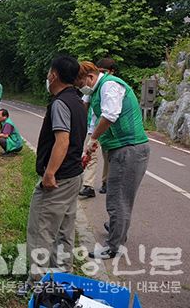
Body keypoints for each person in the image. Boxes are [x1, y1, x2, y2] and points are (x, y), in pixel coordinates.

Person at [21, 56, 86, 293]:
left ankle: (37, 284)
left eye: (49, 71)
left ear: (54, 75)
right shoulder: (78, 101)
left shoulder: (60, 103)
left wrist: (49, 173)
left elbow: (63, 140)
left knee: (41, 229)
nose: (47, 75)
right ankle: (63, 278)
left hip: (58, 179)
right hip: (73, 175)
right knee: (64, 230)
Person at [80, 59, 150, 260]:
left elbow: (110, 115)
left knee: (117, 199)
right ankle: (118, 232)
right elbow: (95, 120)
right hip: (122, 149)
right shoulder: (96, 92)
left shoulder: (110, 85)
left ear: (91, 77)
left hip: (129, 149)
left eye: (81, 84)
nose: (81, 89)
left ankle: (112, 246)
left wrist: (93, 139)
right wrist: (91, 144)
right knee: (121, 198)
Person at [76, 62, 101, 198]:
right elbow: (83, 106)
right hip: (93, 129)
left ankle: (105, 182)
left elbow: (109, 116)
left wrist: (92, 138)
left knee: (109, 158)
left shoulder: (107, 87)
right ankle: (88, 185)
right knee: (91, 156)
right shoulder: (90, 90)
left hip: (102, 129)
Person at [94, 58, 117, 194]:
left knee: (111, 157)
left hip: (111, 129)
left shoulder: (113, 85)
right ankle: (104, 182)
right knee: (105, 156)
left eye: (104, 71)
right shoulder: (97, 86)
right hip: (99, 127)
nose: (101, 74)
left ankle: (108, 182)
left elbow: (111, 114)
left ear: (111, 71)